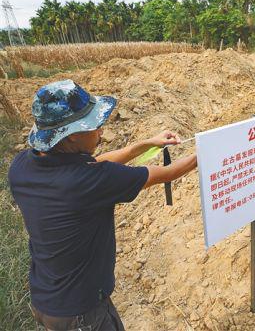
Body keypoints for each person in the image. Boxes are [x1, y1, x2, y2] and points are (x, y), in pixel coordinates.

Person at [8, 79, 197, 331]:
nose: (101, 133)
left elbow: (93, 163)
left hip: (46, 299)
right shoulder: (90, 182)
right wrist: (208, 151)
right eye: (95, 126)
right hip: (83, 314)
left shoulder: (21, 167)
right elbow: (167, 173)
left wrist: (147, 144)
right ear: (72, 137)